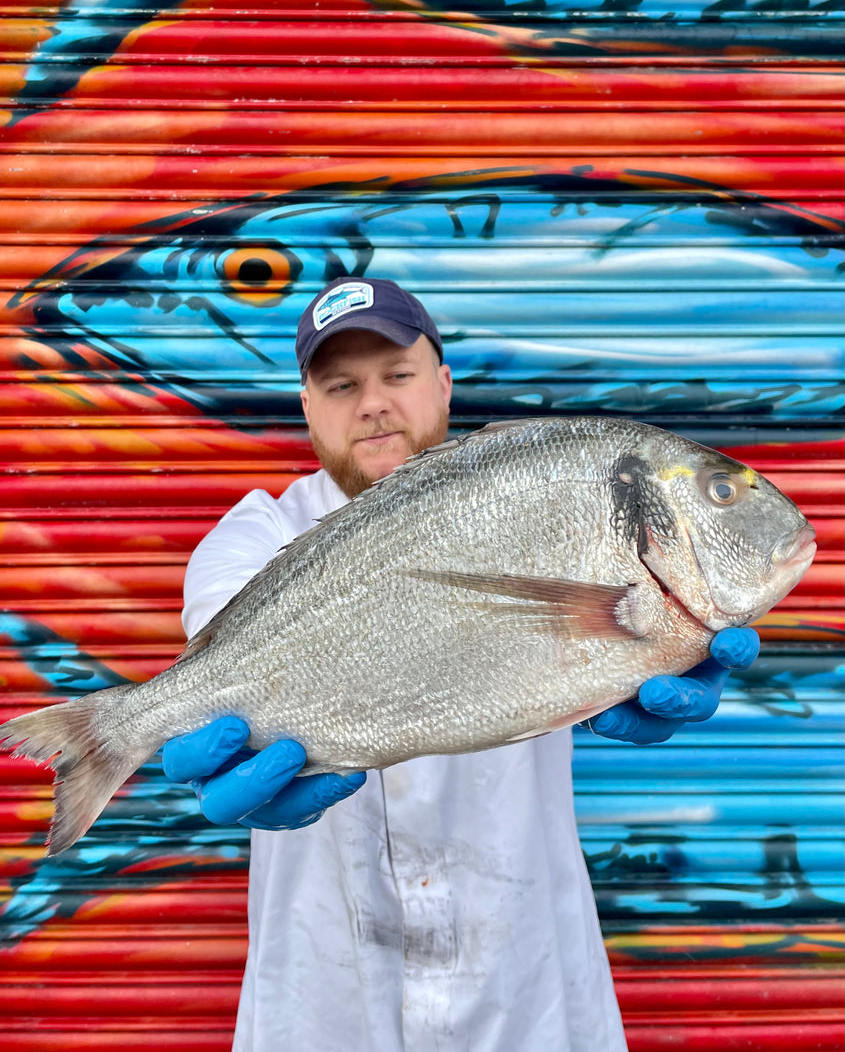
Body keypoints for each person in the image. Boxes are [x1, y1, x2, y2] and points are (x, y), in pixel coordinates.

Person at [162, 277, 759, 1052]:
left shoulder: (535, 498)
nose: (373, 404)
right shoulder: (256, 533)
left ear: (442, 384)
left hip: (525, 992)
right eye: (340, 386)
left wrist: (650, 641)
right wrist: (213, 724)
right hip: (324, 1000)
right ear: (306, 407)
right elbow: (222, 635)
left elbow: (603, 626)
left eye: (397, 374)